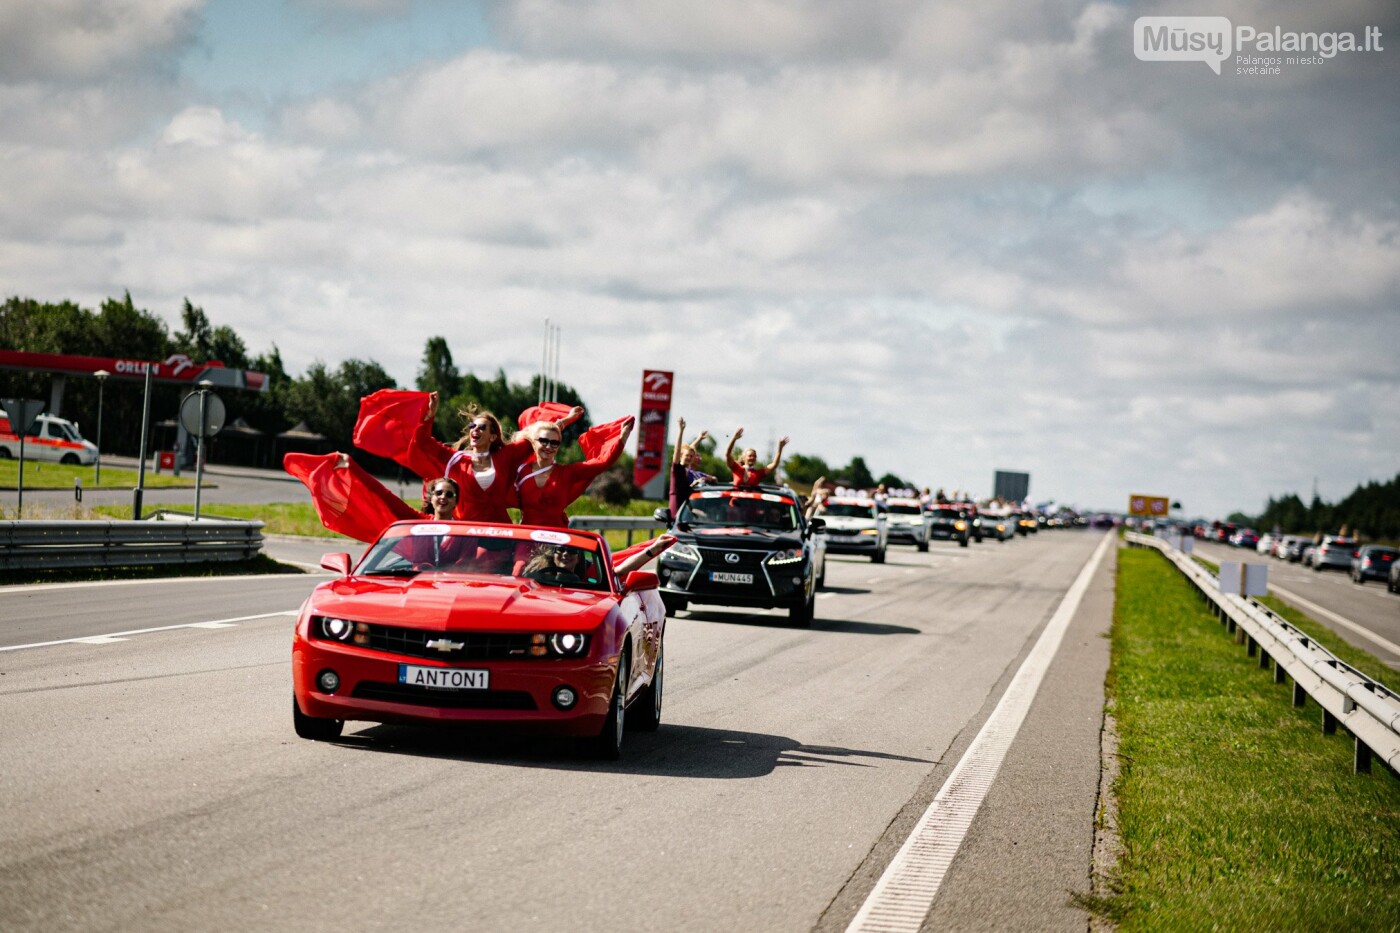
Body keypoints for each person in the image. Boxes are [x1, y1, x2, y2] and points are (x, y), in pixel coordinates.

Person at [353, 389, 582, 523]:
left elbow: (537, 438)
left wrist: (563, 421)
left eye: (482, 427)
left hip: (499, 533)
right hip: (465, 535)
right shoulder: (454, 459)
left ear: (493, 436)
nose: (475, 430)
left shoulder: (506, 456)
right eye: (473, 426)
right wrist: (429, 417)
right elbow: (423, 442)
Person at [514, 414, 635, 529]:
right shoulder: (520, 471)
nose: (549, 446)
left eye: (554, 443)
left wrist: (622, 437)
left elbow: (601, 462)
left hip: (556, 540)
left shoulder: (567, 473)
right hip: (526, 538)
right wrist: (566, 419)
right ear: (534, 442)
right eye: (543, 441)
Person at [669, 416, 716, 517]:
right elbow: (678, 449)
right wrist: (681, 430)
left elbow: (691, 449)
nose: (689, 458)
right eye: (687, 456)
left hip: (687, 508)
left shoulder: (688, 471)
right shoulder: (677, 468)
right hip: (677, 509)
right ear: (681, 456)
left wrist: (695, 483)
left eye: (691, 456)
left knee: (706, 517)